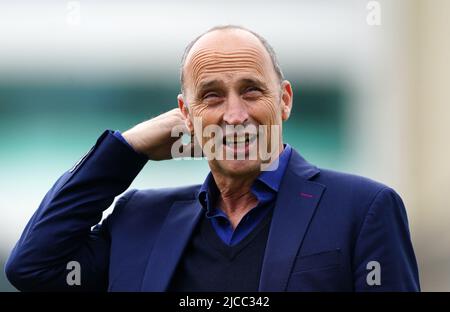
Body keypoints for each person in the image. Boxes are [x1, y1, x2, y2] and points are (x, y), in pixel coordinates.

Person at [5, 25, 420, 291]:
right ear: (185, 114)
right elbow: (34, 268)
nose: (235, 114)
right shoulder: (140, 219)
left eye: (252, 91)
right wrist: (126, 149)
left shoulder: (362, 208)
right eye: (212, 96)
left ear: (285, 100)